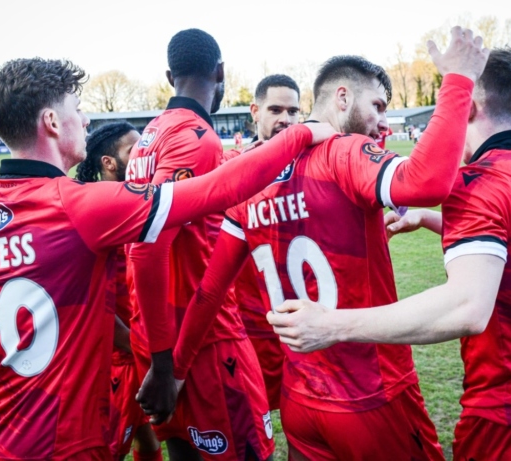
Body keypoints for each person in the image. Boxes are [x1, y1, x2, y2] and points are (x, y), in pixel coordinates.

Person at [0, 57, 333, 461]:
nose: (84, 121)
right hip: (64, 441)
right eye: (76, 110)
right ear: (51, 122)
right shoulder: (78, 207)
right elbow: (216, 192)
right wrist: (301, 133)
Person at [268, 48, 511, 461]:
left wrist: (332, 325)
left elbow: (467, 308)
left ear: (469, 105)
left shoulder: (477, 182)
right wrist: (430, 219)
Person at [171, 27, 489, 460]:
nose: (381, 120)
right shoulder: (344, 153)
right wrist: (458, 78)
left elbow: (209, 291)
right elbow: (428, 179)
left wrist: (174, 372)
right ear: (342, 98)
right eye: (376, 105)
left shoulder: (252, 173)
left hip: (301, 399)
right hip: (372, 395)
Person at [126, 29, 290, 461]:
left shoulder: (148, 137)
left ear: (169, 77)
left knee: (185, 449)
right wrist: (168, 367)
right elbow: (148, 246)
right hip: (201, 343)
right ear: (221, 72)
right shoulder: (196, 137)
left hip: (160, 333)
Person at [74, 122, 163, 461]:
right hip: (119, 359)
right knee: (107, 450)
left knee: (149, 440)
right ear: (109, 163)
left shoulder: (137, 200)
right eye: (135, 150)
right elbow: (91, 303)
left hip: (140, 350)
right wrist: (142, 348)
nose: (145, 154)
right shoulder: (95, 212)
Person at [230, 74, 302, 410]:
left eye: (293, 111)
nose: (285, 119)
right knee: (258, 427)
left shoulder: (315, 165)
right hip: (250, 325)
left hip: (307, 321)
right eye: (275, 109)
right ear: (255, 111)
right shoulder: (228, 168)